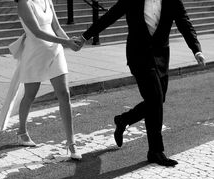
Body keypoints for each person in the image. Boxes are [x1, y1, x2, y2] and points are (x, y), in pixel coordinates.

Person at [76, 0, 205, 166]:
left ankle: (123, 120)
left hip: (161, 57)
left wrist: (197, 50)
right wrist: (85, 36)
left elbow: (184, 23)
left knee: (157, 101)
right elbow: (111, 16)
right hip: (139, 56)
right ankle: (155, 151)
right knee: (155, 99)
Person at [0, 0, 82, 160]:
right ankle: (21, 132)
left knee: (64, 94)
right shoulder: (24, 3)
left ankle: (71, 143)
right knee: (30, 95)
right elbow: (37, 32)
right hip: (35, 54)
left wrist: (70, 42)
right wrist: (65, 42)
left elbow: (56, 27)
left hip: (55, 51)